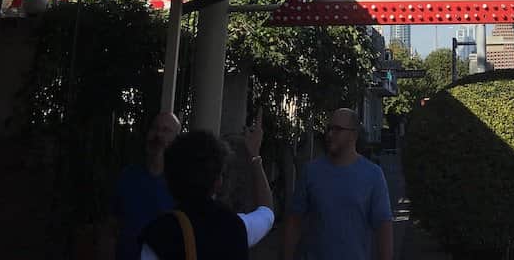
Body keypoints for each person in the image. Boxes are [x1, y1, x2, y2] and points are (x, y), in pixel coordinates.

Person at [140, 108, 274, 259]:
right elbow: (267, 213)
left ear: (169, 180)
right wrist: (255, 156)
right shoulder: (236, 226)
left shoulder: (158, 234)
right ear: (218, 182)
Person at [283, 108, 393, 260]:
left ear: (354, 134)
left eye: (337, 130)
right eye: (329, 129)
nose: (329, 135)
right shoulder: (311, 171)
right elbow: (294, 222)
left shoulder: (373, 175)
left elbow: (383, 227)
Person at [109, 110, 181, 260]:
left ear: (176, 140)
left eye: (166, 130)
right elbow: (112, 226)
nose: (158, 135)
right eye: (154, 128)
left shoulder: (181, 185)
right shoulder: (128, 176)